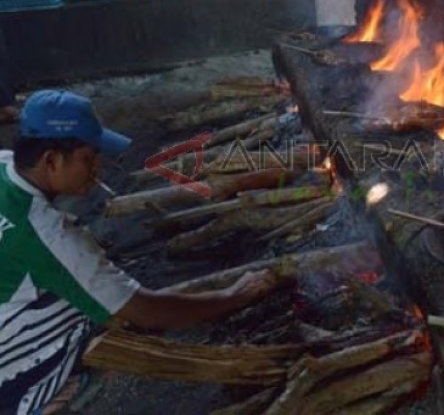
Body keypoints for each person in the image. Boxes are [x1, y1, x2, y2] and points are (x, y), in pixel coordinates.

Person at [0, 90, 281, 415]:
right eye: (87, 159)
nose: (96, 171)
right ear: (50, 160)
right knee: (90, 312)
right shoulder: (52, 236)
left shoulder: (5, 162)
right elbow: (143, 310)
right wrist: (234, 295)